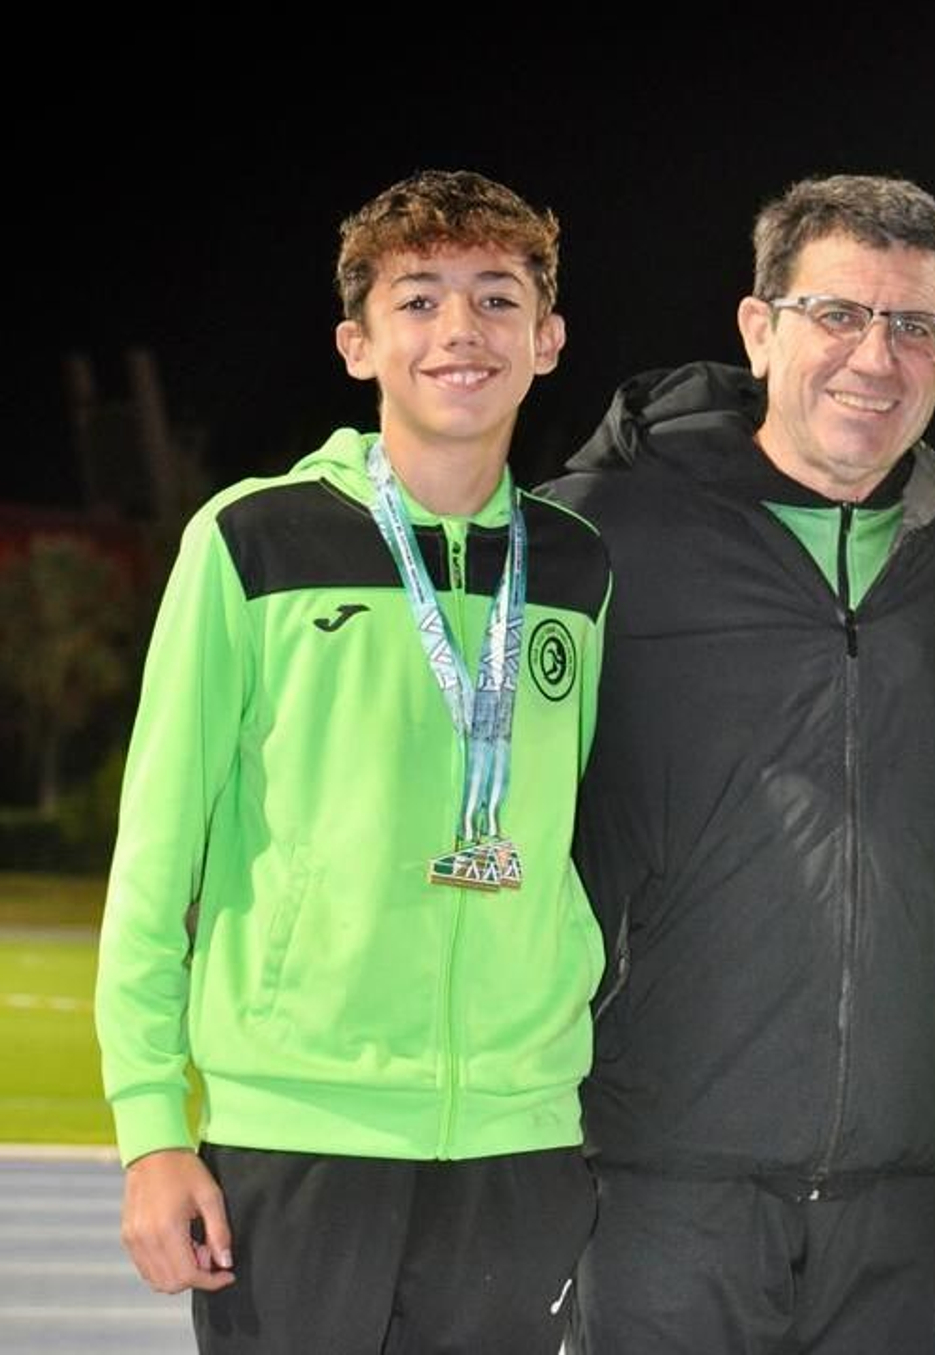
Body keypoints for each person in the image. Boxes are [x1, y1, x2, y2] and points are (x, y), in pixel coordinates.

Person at [94, 170, 609, 1355]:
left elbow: (581, 832)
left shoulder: (580, 571)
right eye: (418, 300)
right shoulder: (251, 539)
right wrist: (152, 1127)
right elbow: (154, 854)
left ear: (547, 337)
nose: (460, 331)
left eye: (496, 297)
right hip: (298, 1125)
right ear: (355, 343)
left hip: (518, 1134)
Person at [543, 174, 935, 1353]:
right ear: (760, 327)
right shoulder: (599, 534)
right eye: (839, 315)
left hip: (900, 1177)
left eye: (917, 325)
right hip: (661, 1161)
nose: (878, 356)